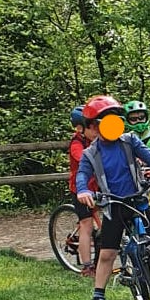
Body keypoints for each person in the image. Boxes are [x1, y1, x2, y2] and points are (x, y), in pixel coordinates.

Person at [75, 94, 150, 300]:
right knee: (107, 254)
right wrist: (82, 190)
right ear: (93, 127)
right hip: (113, 205)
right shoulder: (91, 153)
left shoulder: (130, 141)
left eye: (115, 120)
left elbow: (149, 156)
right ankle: (98, 297)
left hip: (137, 199)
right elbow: (82, 174)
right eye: (106, 121)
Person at [66, 105, 96, 275]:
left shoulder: (97, 139)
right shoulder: (76, 143)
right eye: (91, 127)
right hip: (80, 189)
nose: (96, 130)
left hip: (98, 188)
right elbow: (83, 158)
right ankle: (87, 265)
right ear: (80, 128)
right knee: (87, 225)